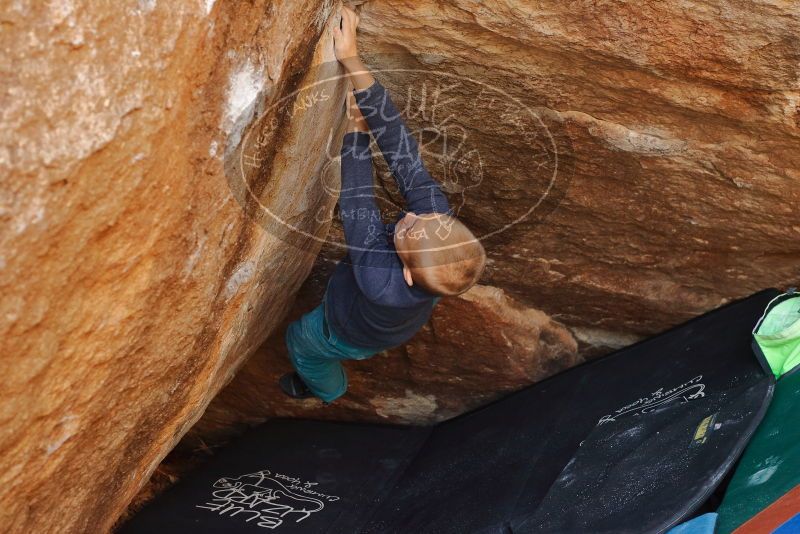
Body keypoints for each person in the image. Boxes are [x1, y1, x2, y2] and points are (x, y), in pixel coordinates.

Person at [279, 6, 487, 403]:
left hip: (341, 333)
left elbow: (359, 202)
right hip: (388, 322)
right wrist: (352, 60)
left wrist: (356, 130)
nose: (408, 216)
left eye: (407, 231)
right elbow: (401, 150)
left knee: (300, 342)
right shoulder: (432, 223)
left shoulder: (381, 280)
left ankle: (327, 390)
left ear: (408, 273)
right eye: (423, 217)